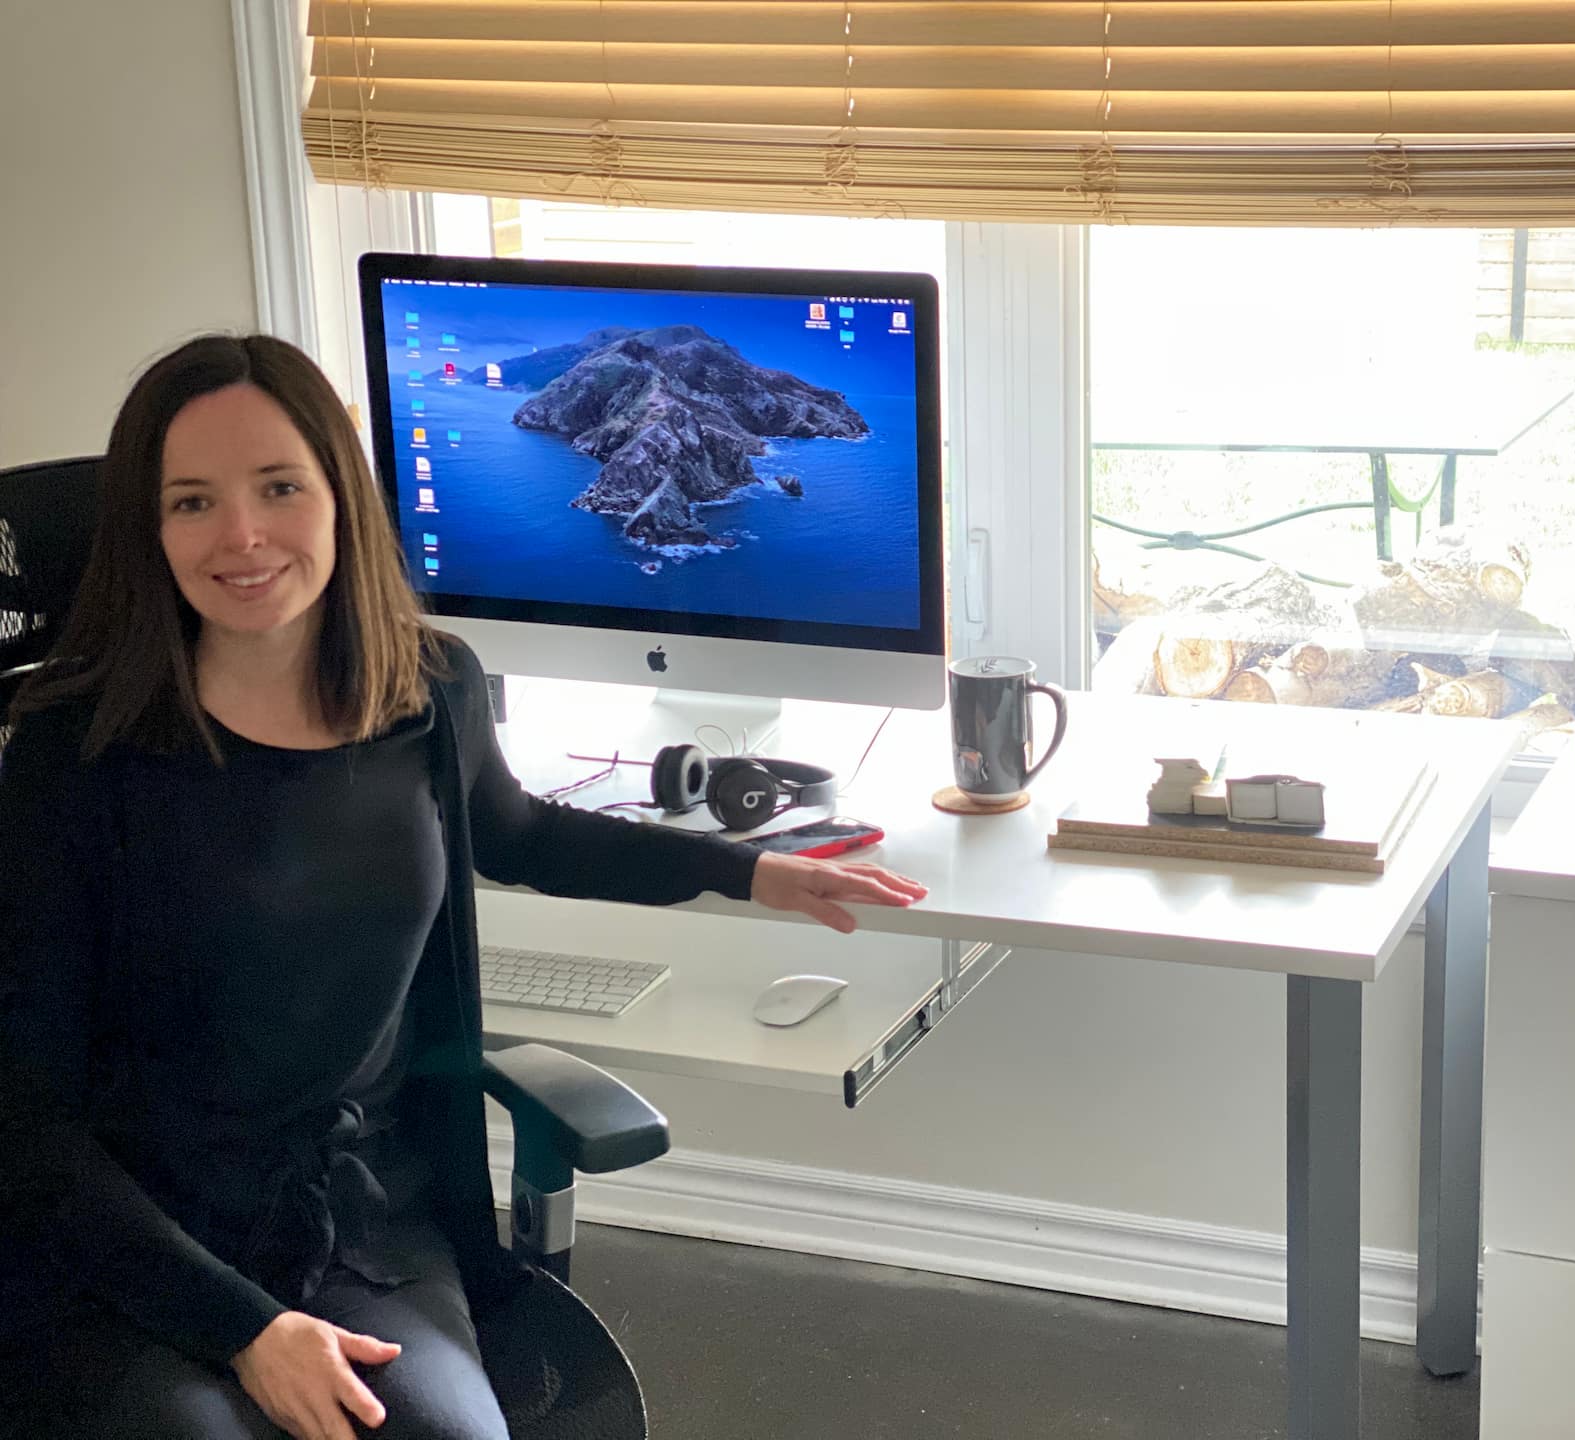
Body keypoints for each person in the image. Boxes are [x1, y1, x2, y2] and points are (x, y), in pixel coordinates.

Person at [0, 333, 928, 1440]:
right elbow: (27, 1114)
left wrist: (746, 871)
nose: (242, 535)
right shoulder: (76, 747)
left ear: (341, 495)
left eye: (279, 487)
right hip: (141, 1237)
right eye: (191, 501)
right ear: (148, 532)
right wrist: (246, 1328)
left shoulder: (428, 691)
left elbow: (524, 833)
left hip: (363, 1219)